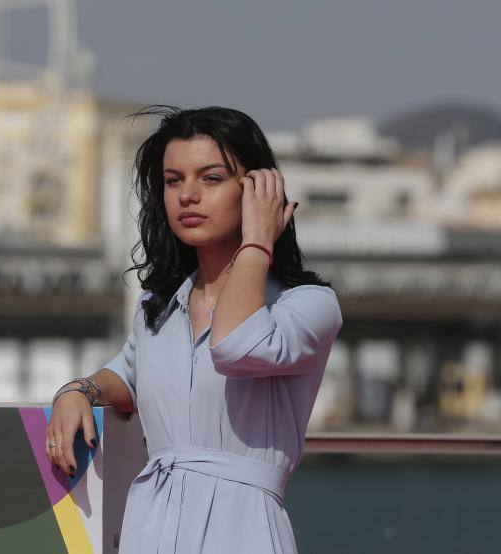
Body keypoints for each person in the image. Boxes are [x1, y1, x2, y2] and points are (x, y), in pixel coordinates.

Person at [46, 106, 343, 553]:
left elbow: (237, 346)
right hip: (152, 527)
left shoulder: (308, 305)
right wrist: (77, 391)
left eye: (211, 178)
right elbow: (128, 376)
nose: (187, 195)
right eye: (172, 180)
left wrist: (257, 241)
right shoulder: (159, 306)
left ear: (258, 190)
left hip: (243, 531)